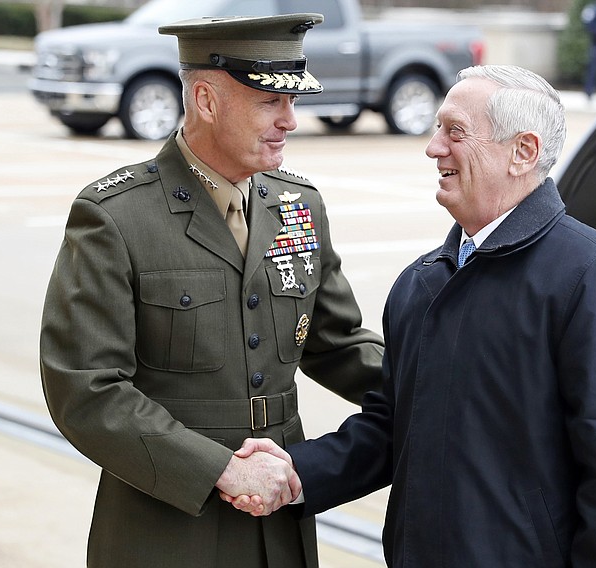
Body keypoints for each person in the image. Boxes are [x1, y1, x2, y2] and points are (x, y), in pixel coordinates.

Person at [227, 65, 596, 566]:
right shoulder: (422, 282)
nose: (433, 147)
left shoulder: (594, 277)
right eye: (437, 129)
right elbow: (392, 430)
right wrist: (296, 473)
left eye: (455, 131)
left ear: (523, 152)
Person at [39, 13, 384, 568]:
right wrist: (222, 469)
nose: (291, 121)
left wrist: (441, 383)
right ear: (205, 99)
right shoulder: (116, 217)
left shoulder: (298, 206)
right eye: (271, 102)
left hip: (278, 523)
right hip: (165, 526)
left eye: (292, 102)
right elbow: (86, 388)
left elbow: (339, 345)